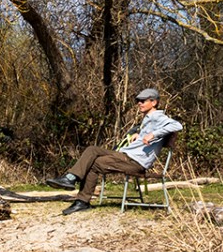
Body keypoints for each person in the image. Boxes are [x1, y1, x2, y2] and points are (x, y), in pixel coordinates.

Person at [47, 88, 183, 215]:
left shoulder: (157, 117)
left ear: (154, 102)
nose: (139, 104)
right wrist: (140, 135)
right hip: (126, 156)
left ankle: (77, 192)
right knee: (92, 151)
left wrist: (153, 134)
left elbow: (177, 125)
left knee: (93, 162)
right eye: (138, 101)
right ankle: (74, 186)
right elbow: (148, 135)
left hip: (135, 162)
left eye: (143, 101)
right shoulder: (148, 119)